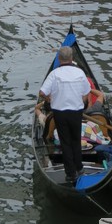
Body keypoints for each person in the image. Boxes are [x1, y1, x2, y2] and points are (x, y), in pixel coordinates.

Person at [38, 46, 90, 183]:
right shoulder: (80, 73)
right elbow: (86, 93)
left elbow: (42, 93)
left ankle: (70, 174)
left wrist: (50, 99)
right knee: (75, 141)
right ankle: (79, 168)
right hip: (76, 113)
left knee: (66, 143)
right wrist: (80, 102)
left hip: (60, 114)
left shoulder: (54, 74)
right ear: (72, 58)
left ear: (59, 59)